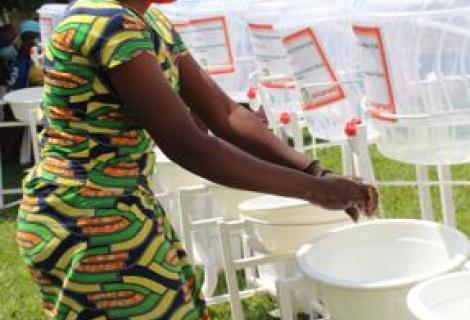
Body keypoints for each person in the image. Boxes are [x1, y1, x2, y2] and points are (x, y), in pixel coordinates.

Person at [16, 0, 379, 319]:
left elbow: (223, 114)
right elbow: (189, 145)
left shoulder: (150, 20)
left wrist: (317, 172)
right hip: (87, 217)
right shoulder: (106, 22)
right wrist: (314, 190)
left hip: (123, 207)